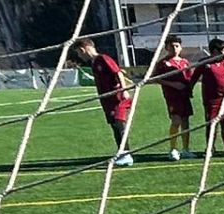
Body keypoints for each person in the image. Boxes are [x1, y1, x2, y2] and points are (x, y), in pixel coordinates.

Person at [72, 37, 134, 166]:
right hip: (107, 100)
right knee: (115, 126)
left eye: (78, 52)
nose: (79, 56)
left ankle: (126, 154)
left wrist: (124, 90)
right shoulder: (94, 63)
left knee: (119, 123)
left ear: (83, 49)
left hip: (117, 98)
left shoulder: (103, 59)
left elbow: (118, 73)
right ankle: (121, 152)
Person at [145, 35, 196, 160]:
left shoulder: (184, 62)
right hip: (172, 97)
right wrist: (172, 84)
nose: (175, 48)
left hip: (184, 96)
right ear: (166, 47)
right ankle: (173, 149)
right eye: (172, 46)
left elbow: (189, 77)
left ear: (181, 47)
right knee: (176, 121)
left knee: (185, 123)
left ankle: (186, 149)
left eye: (177, 46)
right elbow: (154, 78)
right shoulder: (163, 63)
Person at [195, 38, 224, 154]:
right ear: (214, 52)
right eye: (223, 53)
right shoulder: (205, 63)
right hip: (212, 100)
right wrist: (189, 90)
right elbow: (193, 78)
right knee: (212, 124)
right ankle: (210, 148)